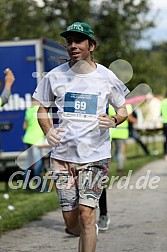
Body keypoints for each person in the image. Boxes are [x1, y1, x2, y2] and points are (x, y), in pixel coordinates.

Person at [33, 21, 129, 252]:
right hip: (63, 158)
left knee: (87, 215)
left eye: (78, 41)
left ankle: (89, 227)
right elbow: (41, 108)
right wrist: (49, 131)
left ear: (91, 45)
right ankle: (87, 229)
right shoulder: (54, 76)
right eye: (69, 42)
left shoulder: (107, 76)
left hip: (95, 156)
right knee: (71, 221)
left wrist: (114, 120)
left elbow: (123, 110)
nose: (73, 45)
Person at [22, 98, 45, 190]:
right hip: (37, 140)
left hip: (28, 139)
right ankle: (39, 185)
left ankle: (26, 185)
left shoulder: (29, 110)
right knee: (38, 164)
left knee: (28, 163)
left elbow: (24, 126)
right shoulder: (41, 110)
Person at [161, 91, 167, 161]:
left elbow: (161, 112)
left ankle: (165, 154)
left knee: (166, 138)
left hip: (165, 122)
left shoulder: (162, 102)